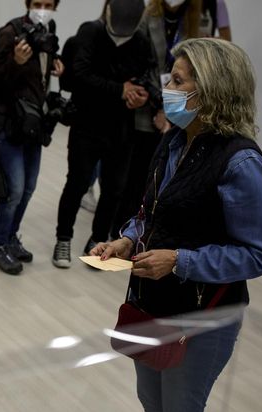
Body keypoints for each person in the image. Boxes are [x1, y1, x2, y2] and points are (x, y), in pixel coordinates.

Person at [92, 38, 262, 412]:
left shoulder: (242, 162)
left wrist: (180, 260)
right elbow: (150, 212)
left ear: (211, 90)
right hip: (151, 302)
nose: (166, 89)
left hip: (204, 315)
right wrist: (126, 239)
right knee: (152, 406)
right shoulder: (173, 141)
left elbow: (257, 254)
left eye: (178, 81)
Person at [51, 0, 154, 268]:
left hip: (122, 129)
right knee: (77, 183)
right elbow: (79, 75)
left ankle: (98, 241)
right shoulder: (90, 32)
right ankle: (63, 238)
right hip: (87, 124)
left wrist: (140, 96)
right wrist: (119, 90)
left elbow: (146, 75)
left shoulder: (141, 41)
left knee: (114, 189)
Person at [0, 0, 64, 274]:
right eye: (38, 3)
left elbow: (40, 73)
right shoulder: (10, 33)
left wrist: (54, 66)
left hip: (34, 123)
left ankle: (11, 237)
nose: (42, 8)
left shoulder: (49, 28)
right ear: (28, 4)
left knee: (29, 188)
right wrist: (16, 63)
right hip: (10, 124)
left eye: (48, 4)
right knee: (13, 190)